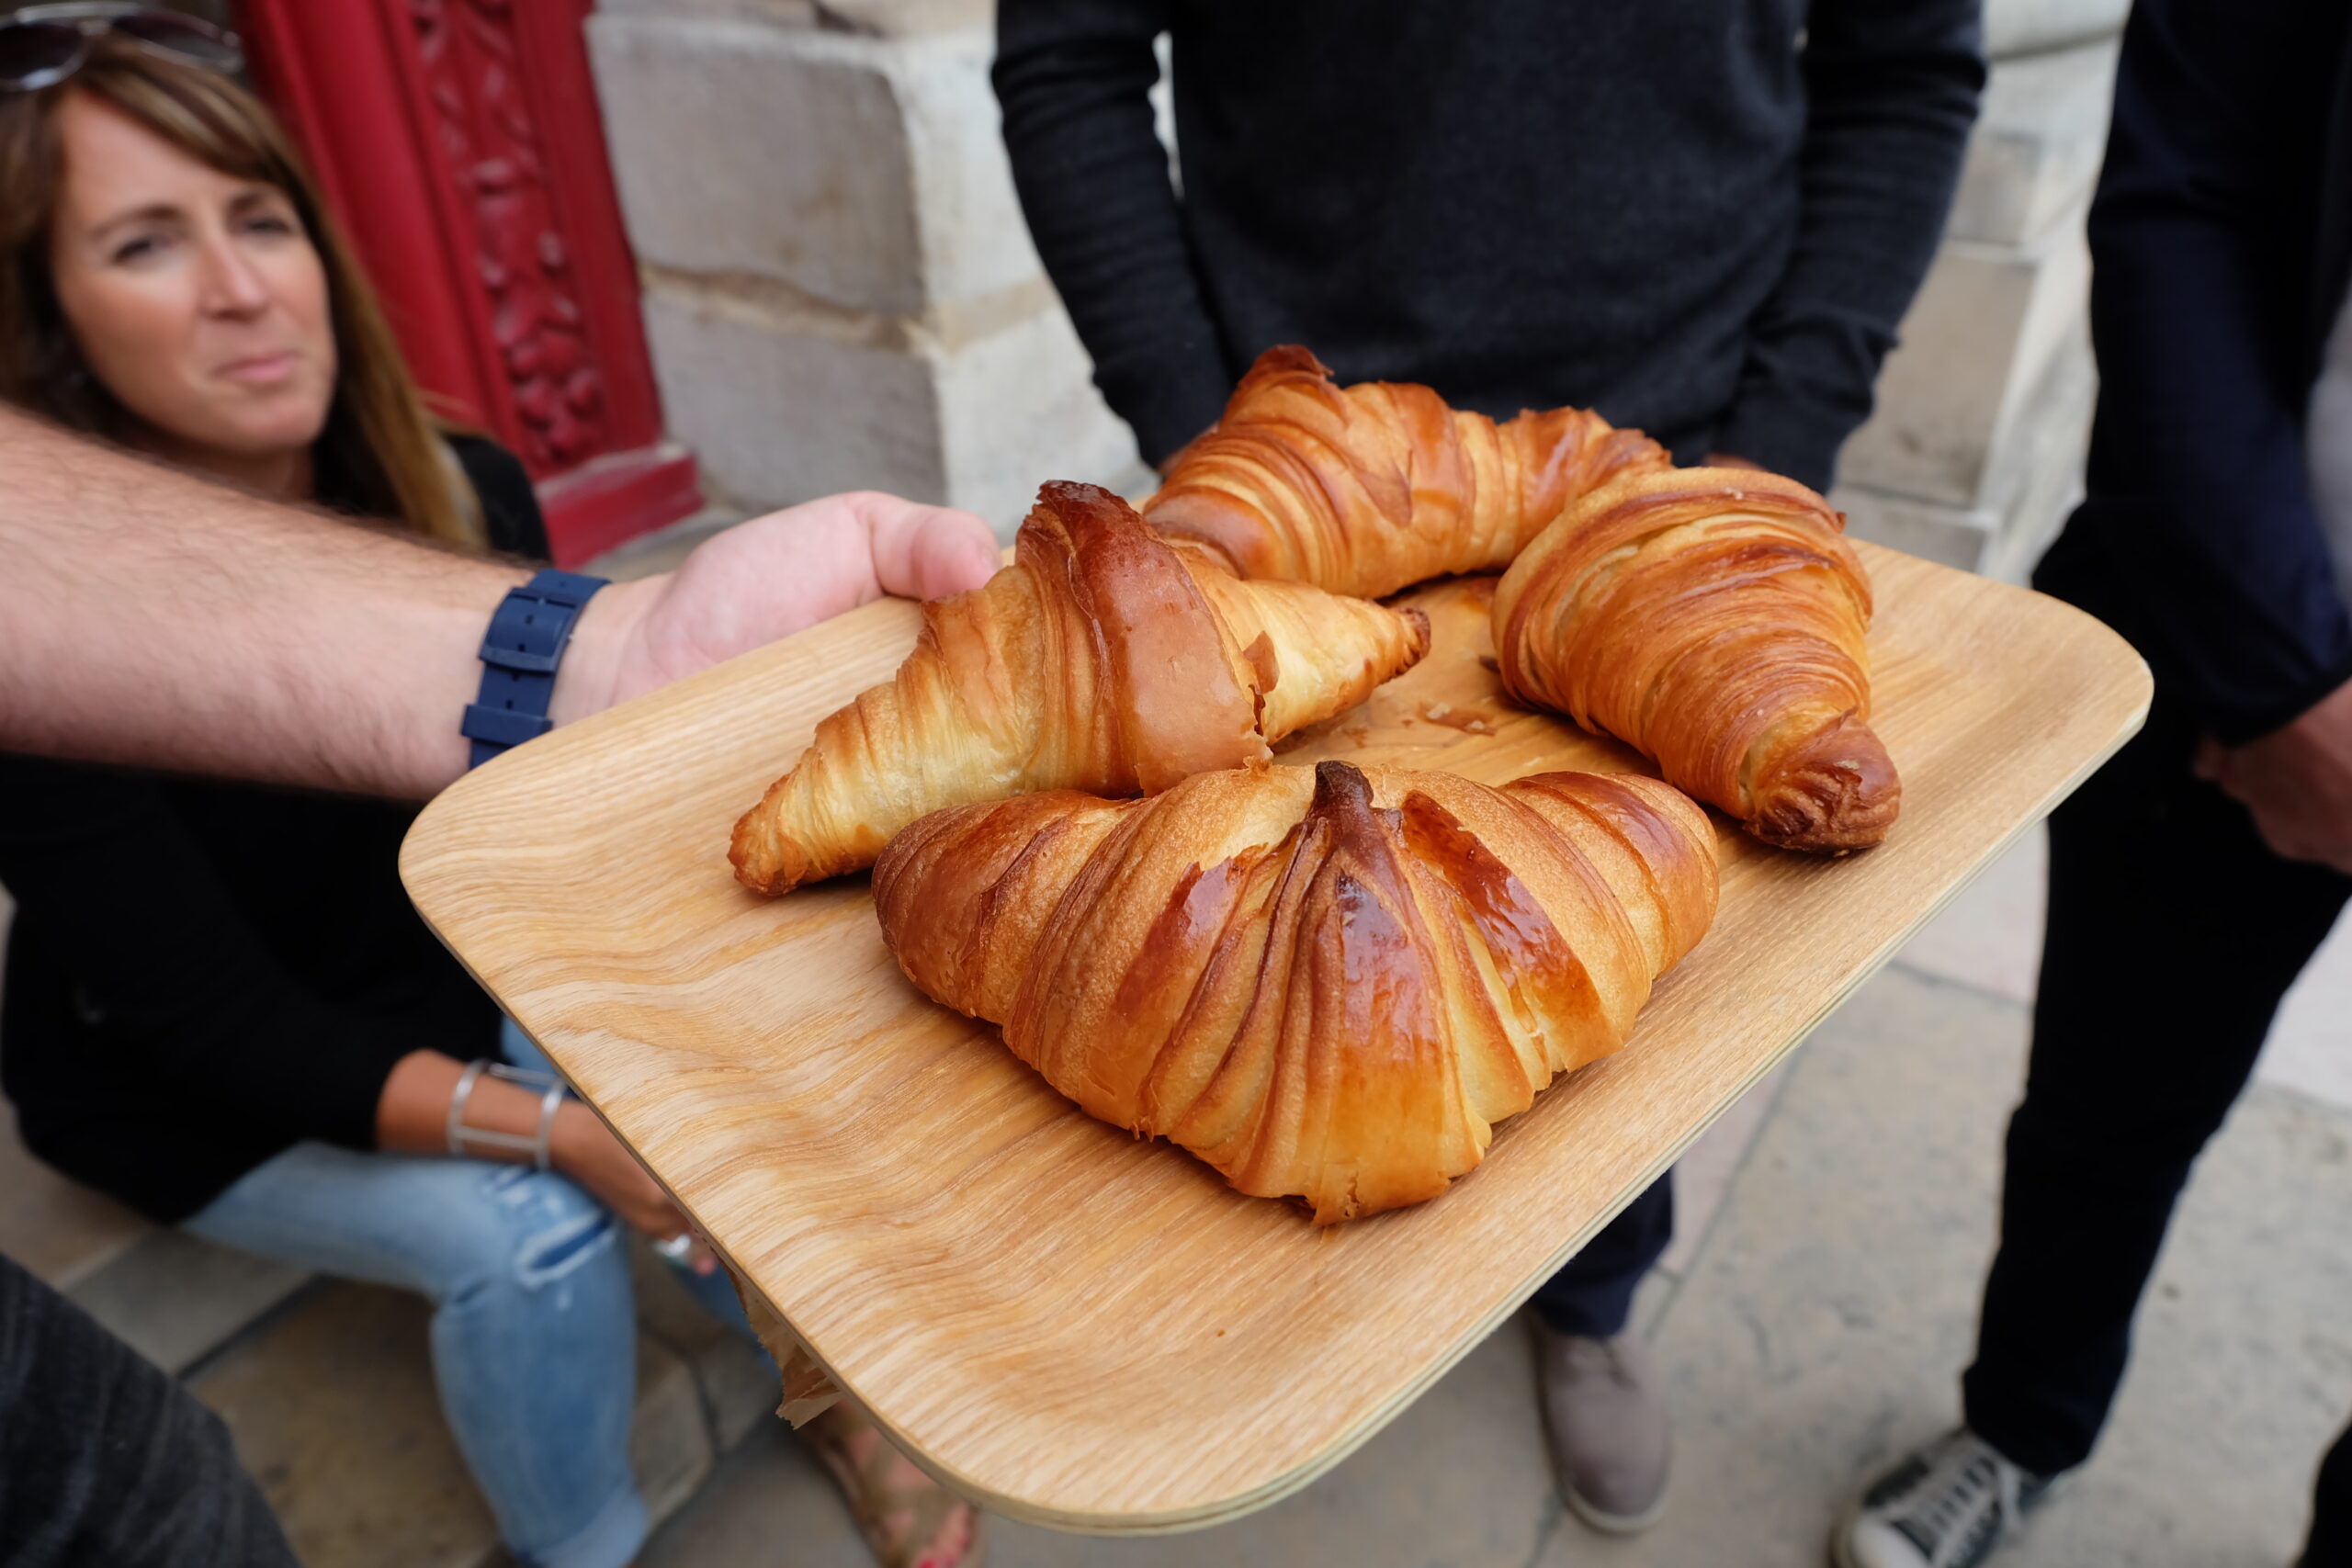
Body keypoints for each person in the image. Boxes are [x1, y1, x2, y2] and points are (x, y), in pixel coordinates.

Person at [0, 23, 992, 1568]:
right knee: (536, 1236)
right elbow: (215, 1027)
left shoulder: (461, 489)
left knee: (710, 1101)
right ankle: (579, 1546)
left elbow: (562, 818)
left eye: (260, 217)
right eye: (144, 243)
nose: (242, 286)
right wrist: (561, 1131)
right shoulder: (38, 653)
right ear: (54, 328)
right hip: (191, 1084)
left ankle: (840, 1398)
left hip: (433, 967)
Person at [993, 0, 1983, 1534]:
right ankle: (1266, 1347)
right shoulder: (1269, 493)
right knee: (1235, 913)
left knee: (1592, 972)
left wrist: (1785, 431)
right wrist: (1228, 440)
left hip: (1676, 458)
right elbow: (1070, 54)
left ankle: (1591, 1302)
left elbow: (1905, 65)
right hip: (1295, 462)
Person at [1831, 4, 2352, 1566]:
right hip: (2232, 645)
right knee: (2107, 1111)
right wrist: (2288, 691)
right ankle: (2020, 1426)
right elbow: (2185, 191)